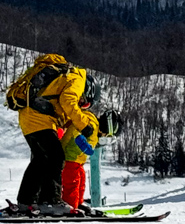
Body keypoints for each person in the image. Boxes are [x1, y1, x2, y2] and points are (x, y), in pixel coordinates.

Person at [15, 56, 98, 214]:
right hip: (40, 119)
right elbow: (68, 101)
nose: (83, 106)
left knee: (41, 159)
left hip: (28, 117)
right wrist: (83, 125)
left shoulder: (63, 78)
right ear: (88, 91)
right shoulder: (78, 78)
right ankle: (50, 201)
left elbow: (59, 106)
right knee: (57, 157)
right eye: (85, 102)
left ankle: (25, 201)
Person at [60, 108, 122, 213]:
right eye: (107, 135)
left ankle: (78, 203)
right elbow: (77, 128)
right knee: (72, 183)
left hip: (77, 160)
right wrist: (80, 139)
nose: (104, 137)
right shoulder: (91, 124)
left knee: (81, 180)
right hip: (68, 158)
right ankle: (70, 206)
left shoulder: (96, 128)